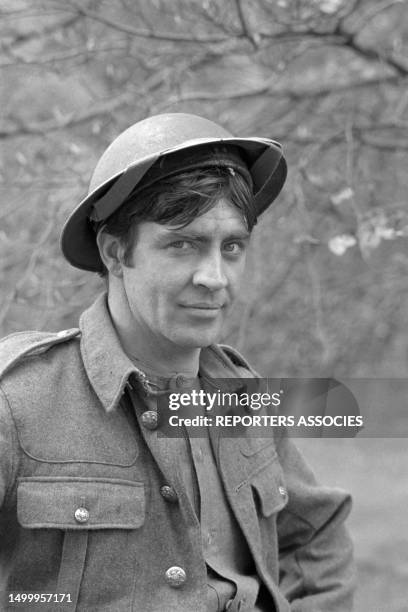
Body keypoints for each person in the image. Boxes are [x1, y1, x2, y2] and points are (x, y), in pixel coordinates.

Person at [0, 113, 354, 611]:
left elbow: (316, 536)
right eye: (182, 244)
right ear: (115, 252)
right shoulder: (18, 402)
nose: (215, 277)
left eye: (232, 247)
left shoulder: (243, 396)